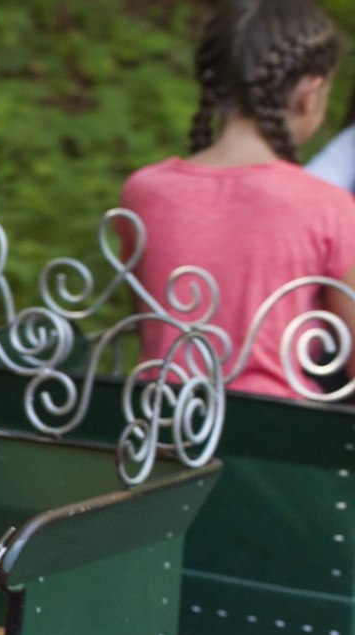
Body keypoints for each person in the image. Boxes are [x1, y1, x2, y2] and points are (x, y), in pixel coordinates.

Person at [124, 0, 355, 399]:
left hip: (158, 429)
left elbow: (148, 322)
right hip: (274, 440)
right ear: (310, 92)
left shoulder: (144, 191)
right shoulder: (326, 206)